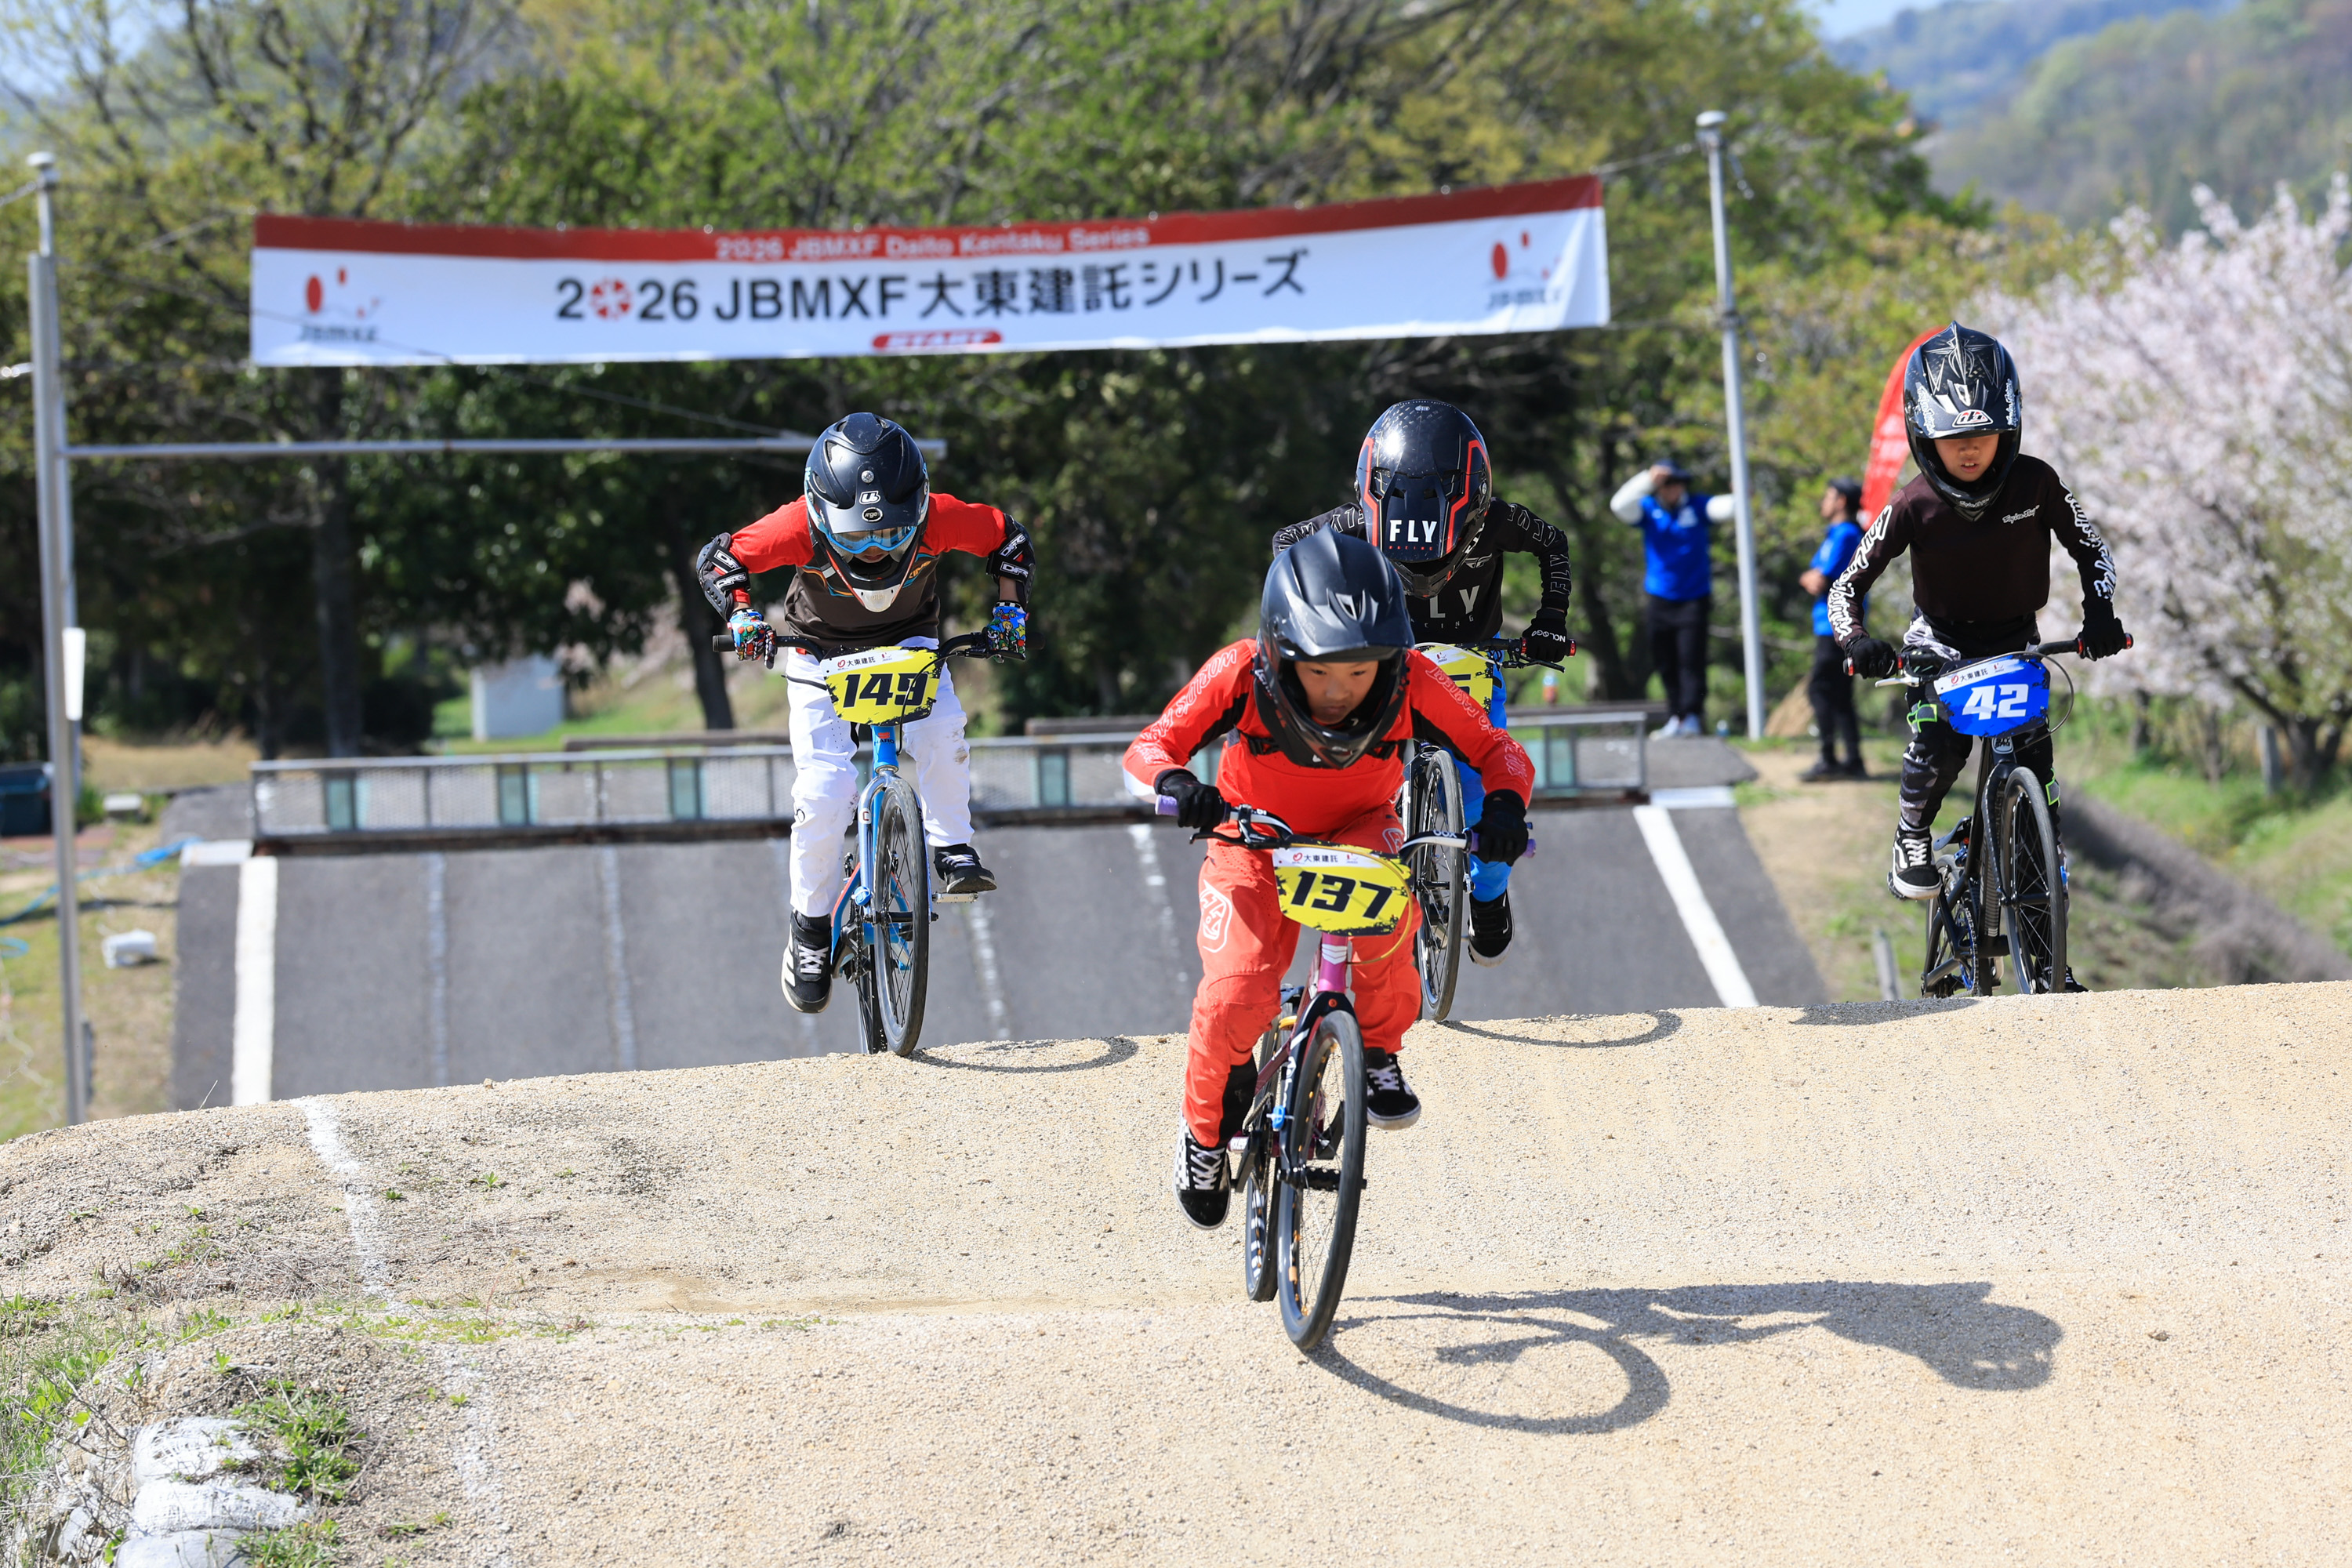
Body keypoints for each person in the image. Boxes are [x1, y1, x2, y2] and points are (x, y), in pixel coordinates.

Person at [1124, 530, 1534, 1229]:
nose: (1339, 691)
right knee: (1236, 994)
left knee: (1390, 918)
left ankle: (1376, 1051)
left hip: (1359, 826)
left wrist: (1503, 807)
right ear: (1280, 650)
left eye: (1360, 670)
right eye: (1318, 671)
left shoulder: (1415, 678)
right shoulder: (1238, 671)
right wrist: (1177, 784)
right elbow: (1150, 747)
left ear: (1390, 657)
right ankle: (1202, 1136)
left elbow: (1500, 750)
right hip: (1250, 837)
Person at [698, 412, 1034, 1014]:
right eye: (854, 538)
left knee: (943, 734)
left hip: (910, 645)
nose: (875, 550)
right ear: (820, 513)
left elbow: (1008, 540)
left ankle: (953, 848)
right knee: (825, 790)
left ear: (920, 509)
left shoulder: (943, 518)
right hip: (817, 653)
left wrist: (1011, 611)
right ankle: (809, 929)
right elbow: (722, 559)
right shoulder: (796, 525)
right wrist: (742, 615)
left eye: (892, 534)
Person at [1827, 323, 2128, 939]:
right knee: (1942, 747)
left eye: (1983, 436)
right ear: (1924, 437)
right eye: (1952, 439)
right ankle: (1912, 835)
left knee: (2040, 796)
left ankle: (2047, 959)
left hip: (2017, 643)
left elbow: (2092, 550)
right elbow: (1844, 588)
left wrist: (2100, 615)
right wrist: (1857, 640)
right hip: (1939, 646)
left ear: (2008, 429)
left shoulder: (2037, 483)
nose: (1969, 451)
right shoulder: (1912, 504)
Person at [1270, 400, 1572, 967]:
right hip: (1388, 665)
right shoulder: (1354, 522)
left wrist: (1550, 621)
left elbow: (1553, 543)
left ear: (1475, 511)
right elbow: (1287, 546)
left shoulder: (1500, 520)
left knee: (1488, 796)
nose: (1427, 577)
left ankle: (1489, 892)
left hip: (1470, 664)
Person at [1610, 460, 1735, 738]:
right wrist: (1647, 479)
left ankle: (1692, 716)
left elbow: (1726, 508)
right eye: (1666, 484)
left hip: (1694, 599)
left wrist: (1740, 495)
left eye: (1677, 483)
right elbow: (1618, 506)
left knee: (1690, 660)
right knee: (1665, 661)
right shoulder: (1648, 509)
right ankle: (1676, 717)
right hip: (1660, 599)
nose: (1673, 489)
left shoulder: (1697, 507)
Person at [1798, 477, 1868, 782]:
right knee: (1839, 693)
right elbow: (1811, 576)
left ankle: (1829, 758)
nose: (1823, 502)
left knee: (1820, 689)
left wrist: (1813, 579)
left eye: (1828, 496)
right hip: (1831, 626)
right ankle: (1853, 761)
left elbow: (1820, 580)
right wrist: (1811, 578)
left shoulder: (1847, 534)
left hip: (1836, 627)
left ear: (1841, 501)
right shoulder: (1834, 535)